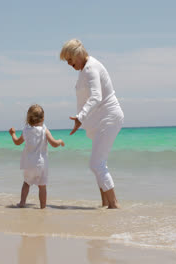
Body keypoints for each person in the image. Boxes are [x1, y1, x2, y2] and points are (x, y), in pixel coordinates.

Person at [60, 39, 125, 209]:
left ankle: (114, 204)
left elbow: (96, 96)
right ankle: (105, 204)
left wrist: (80, 117)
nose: (68, 64)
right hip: (100, 120)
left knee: (96, 163)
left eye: (69, 60)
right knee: (99, 163)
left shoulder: (90, 68)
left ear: (76, 55)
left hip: (108, 117)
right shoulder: (85, 69)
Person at [9, 104, 65, 209]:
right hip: (41, 164)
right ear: (43, 118)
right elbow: (54, 143)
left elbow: (17, 142)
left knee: (26, 183)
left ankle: (22, 203)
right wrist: (60, 141)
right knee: (42, 186)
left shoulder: (26, 130)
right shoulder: (44, 130)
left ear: (28, 119)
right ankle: (43, 207)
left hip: (29, 164)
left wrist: (12, 134)